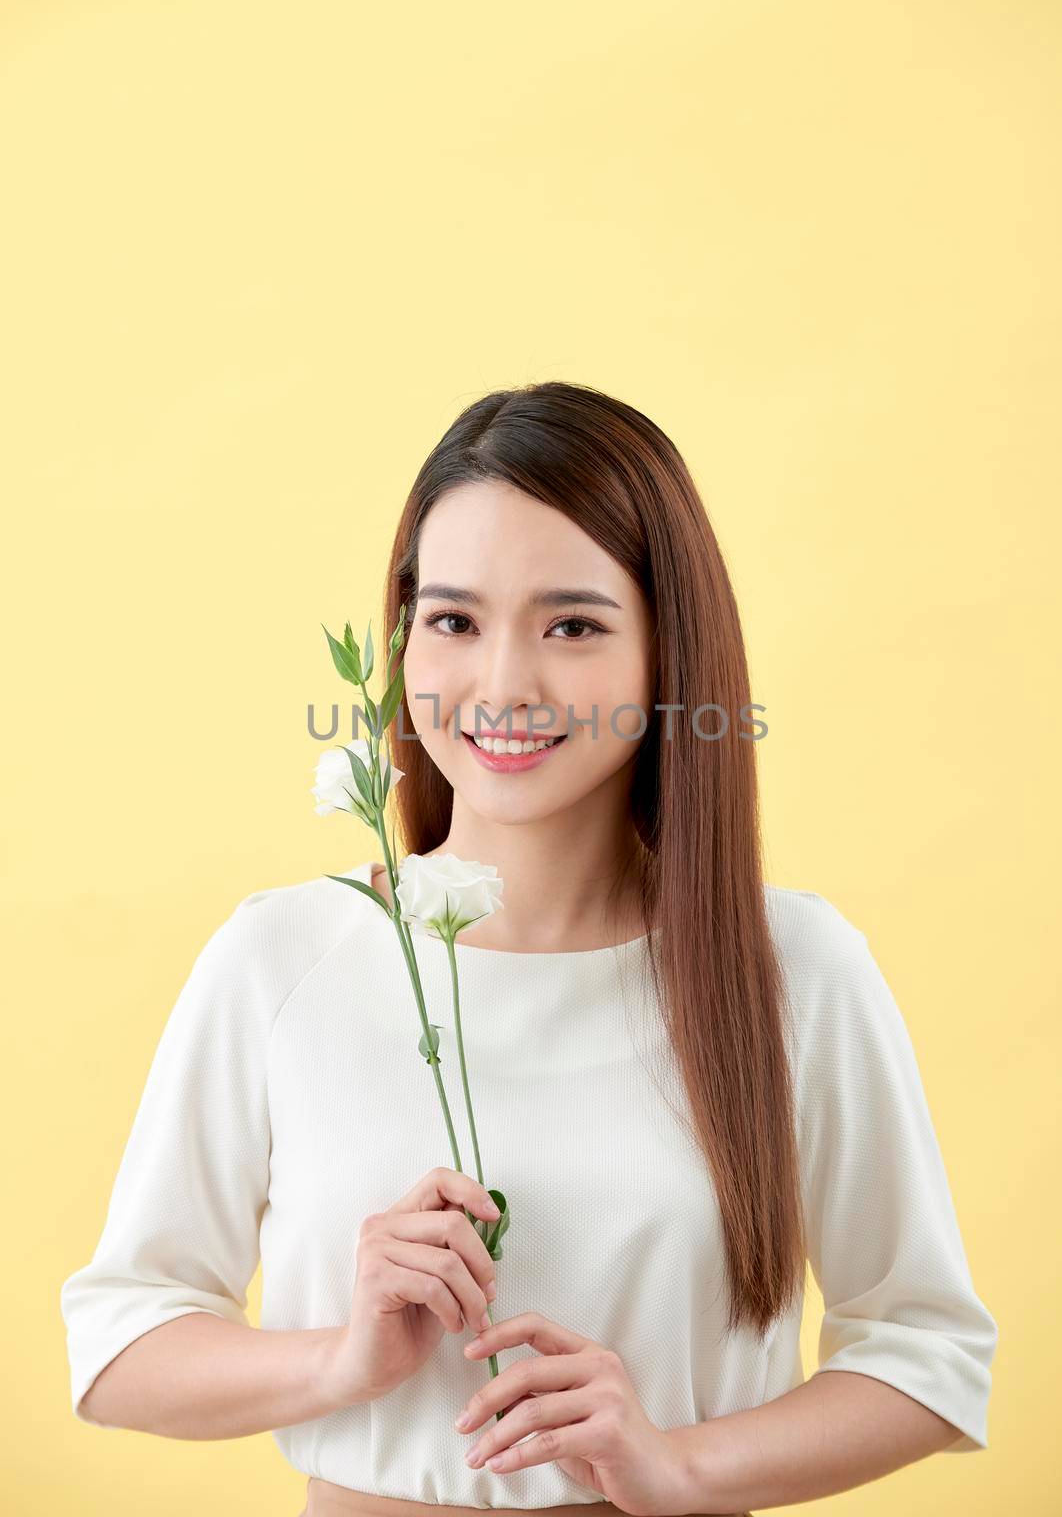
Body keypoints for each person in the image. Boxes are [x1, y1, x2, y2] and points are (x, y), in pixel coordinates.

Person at [60, 381, 996, 1516]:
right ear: (403, 639)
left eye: (573, 625)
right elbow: (118, 1345)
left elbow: (928, 1351)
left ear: (668, 653)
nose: (502, 684)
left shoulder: (793, 970)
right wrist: (340, 1360)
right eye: (454, 620)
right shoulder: (286, 956)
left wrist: (679, 1462)